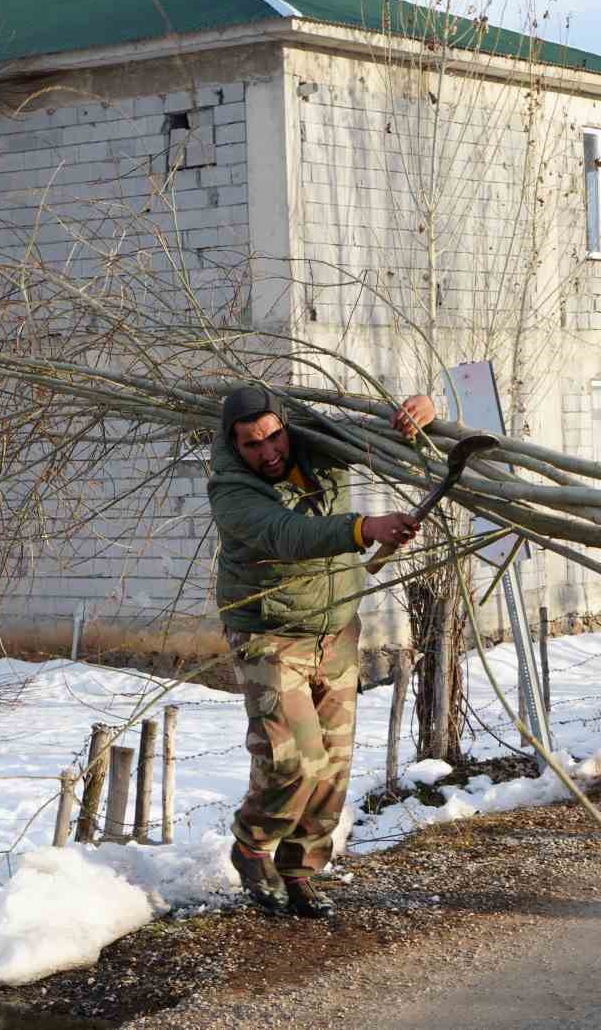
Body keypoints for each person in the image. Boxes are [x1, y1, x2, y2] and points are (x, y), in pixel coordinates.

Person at [207, 385, 435, 918]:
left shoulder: (313, 445)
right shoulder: (231, 490)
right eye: (251, 444)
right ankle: (251, 845)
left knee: (332, 766)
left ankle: (299, 870)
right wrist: (365, 528)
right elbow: (288, 533)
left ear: (287, 426)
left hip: (335, 631)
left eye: (273, 437)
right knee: (294, 759)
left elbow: (383, 439)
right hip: (271, 634)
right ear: (233, 446)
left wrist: (423, 412)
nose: (267, 452)